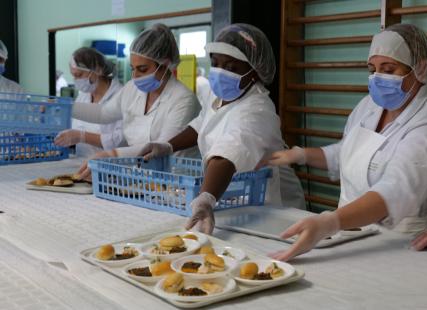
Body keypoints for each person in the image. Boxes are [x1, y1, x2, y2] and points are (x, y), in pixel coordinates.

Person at [264, 23, 427, 261]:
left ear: (421, 67)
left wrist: (330, 221)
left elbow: (395, 190)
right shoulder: (370, 106)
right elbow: (349, 153)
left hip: (408, 244)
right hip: (353, 234)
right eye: (372, 69)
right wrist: (300, 155)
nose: (378, 78)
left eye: (388, 69)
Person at [140, 23, 305, 234]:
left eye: (231, 67)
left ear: (254, 71)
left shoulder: (258, 109)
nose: (219, 72)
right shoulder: (219, 96)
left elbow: (229, 152)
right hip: (233, 197)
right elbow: (201, 125)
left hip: (274, 207)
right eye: (216, 63)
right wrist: (167, 146)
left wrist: (206, 197)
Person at [72, 24, 200, 179]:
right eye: (132, 68)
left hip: (177, 182)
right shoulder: (132, 89)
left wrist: (111, 154)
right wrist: (65, 108)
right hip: (141, 178)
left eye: (143, 69)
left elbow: (158, 148)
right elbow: (103, 113)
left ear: (165, 65)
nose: (135, 76)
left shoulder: (183, 99)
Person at [54, 47, 123, 157]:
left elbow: (121, 141)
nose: (76, 80)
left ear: (98, 70)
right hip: (82, 164)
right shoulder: (83, 96)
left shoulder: (121, 96)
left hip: (110, 168)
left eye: (79, 75)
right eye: (74, 76)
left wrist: (82, 136)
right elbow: (73, 127)